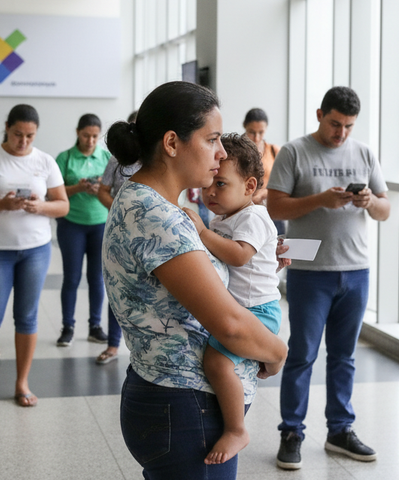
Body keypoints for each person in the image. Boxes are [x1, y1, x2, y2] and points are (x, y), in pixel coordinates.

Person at [103, 81, 287, 479]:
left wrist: (257, 266)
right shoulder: (159, 217)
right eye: (213, 139)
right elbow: (230, 325)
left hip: (169, 398)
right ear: (172, 143)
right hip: (186, 409)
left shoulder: (147, 200)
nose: (221, 155)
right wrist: (277, 351)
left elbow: (198, 282)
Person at [267, 86, 390, 469]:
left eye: (349, 126)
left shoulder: (364, 152)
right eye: (335, 124)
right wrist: (321, 199)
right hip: (310, 273)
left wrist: (369, 202)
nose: (341, 134)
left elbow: (385, 210)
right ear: (320, 114)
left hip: (356, 271)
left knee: (344, 357)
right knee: (302, 354)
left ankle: (340, 429)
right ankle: (292, 431)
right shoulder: (294, 151)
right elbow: (275, 205)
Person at [0, 104, 69, 411]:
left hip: (35, 249)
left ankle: (22, 383)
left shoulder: (44, 161)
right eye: (17, 134)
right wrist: (1, 205)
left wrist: (40, 207)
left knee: (27, 317)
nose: (23, 141)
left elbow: (62, 206)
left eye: (29, 136)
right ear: (6, 127)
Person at [183, 133, 282, 465]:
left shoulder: (252, 216)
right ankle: (267, 358)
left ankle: (237, 428)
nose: (210, 191)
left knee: (216, 361)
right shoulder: (224, 216)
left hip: (257, 311)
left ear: (249, 186)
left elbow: (239, 256)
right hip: (242, 307)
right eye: (210, 181)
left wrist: (201, 233)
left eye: (221, 184)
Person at [54, 114, 111, 347]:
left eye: (95, 136)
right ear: (78, 132)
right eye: (86, 135)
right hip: (71, 225)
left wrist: (99, 189)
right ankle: (68, 326)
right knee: (72, 277)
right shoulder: (65, 158)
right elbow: (54, 193)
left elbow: (115, 190)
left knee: (97, 278)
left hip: (100, 224)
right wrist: (78, 187)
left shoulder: (107, 157)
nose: (90, 141)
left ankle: (95, 327)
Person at [95, 111, 140, 364]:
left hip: (148, 233)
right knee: (118, 287)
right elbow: (103, 190)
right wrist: (120, 208)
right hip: (119, 229)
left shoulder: (155, 159)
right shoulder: (116, 159)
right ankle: (113, 345)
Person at [243, 108, 284, 235]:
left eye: (261, 132)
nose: (256, 137)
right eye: (252, 132)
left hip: (269, 209)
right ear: (245, 127)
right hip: (244, 209)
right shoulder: (237, 152)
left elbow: (283, 183)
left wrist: (264, 193)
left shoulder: (274, 150)